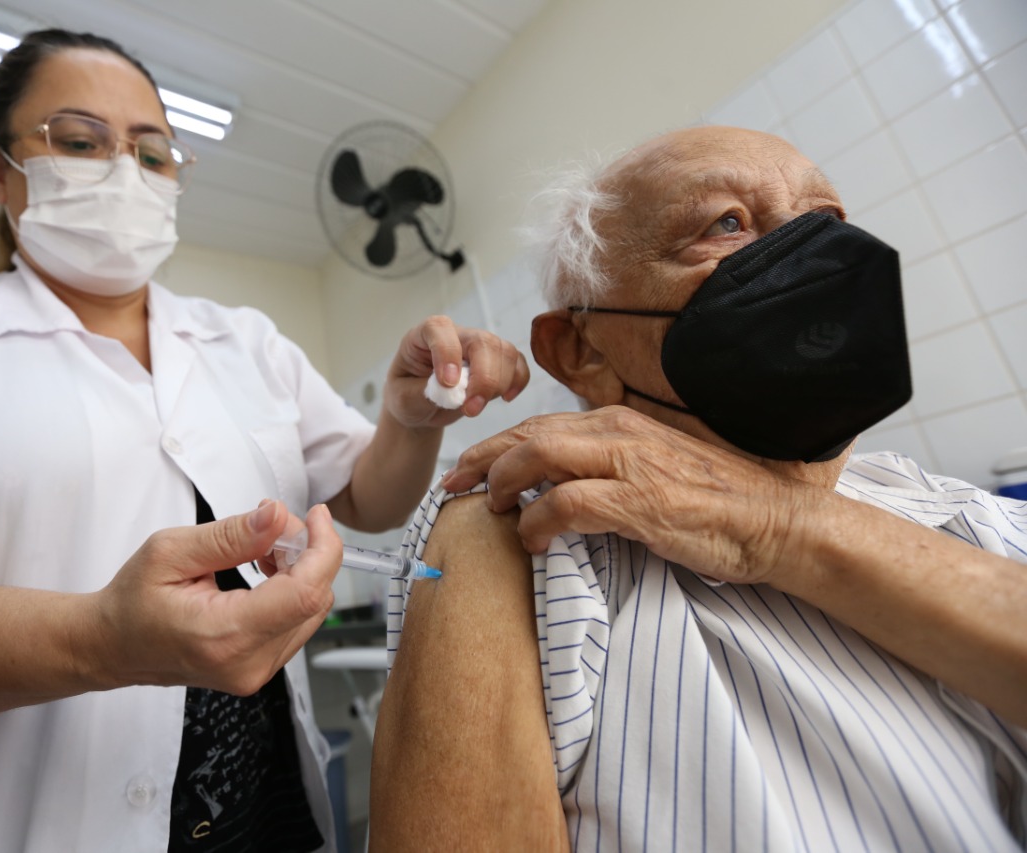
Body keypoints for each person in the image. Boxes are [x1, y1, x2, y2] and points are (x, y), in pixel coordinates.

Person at [0, 29, 530, 853]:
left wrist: (408, 420)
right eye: (81, 143)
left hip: (265, 823)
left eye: (153, 153)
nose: (125, 171)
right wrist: (99, 640)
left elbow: (369, 496)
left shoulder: (246, 342)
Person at [369, 125, 1027, 852]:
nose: (814, 252)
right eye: (725, 224)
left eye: (826, 221)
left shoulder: (949, 505)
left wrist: (783, 524)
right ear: (582, 349)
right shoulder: (518, 523)